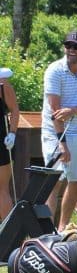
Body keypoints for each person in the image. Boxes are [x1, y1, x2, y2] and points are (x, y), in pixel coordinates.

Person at [42, 31, 77, 232]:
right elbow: (54, 111)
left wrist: (73, 111)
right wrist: (62, 143)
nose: (71, 50)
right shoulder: (54, 70)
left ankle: (63, 227)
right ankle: (47, 232)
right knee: (53, 181)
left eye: (76, 47)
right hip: (53, 132)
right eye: (68, 46)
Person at [0, 68, 20, 219]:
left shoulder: (2, 84)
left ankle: (9, 234)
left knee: (2, 188)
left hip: (1, 140)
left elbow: (14, 110)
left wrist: (12, 133)